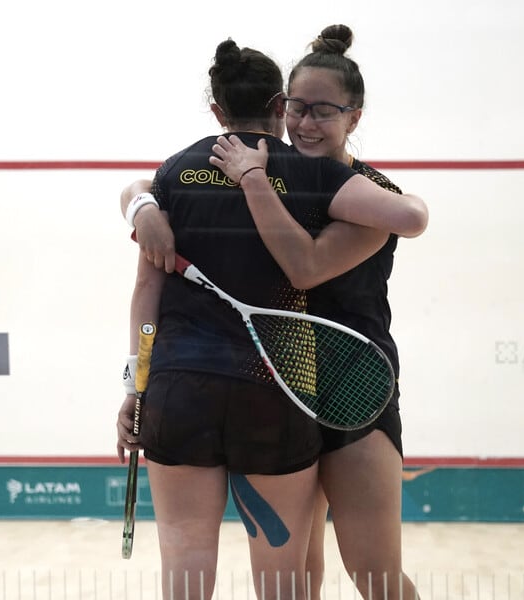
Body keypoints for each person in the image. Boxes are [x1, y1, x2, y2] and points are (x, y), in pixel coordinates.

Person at [115, 39, 427, 600]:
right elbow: (148, 185)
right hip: (284, 383)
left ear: (353, 117)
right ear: (280, 106)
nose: (304, 123)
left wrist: (250, 180)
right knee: (298, 572)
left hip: (353, 388)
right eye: (296, 108)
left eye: (321, 110)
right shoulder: (294, 173)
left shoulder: (361, 194)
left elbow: (308, 265)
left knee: (372, 571)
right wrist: (140, 203)